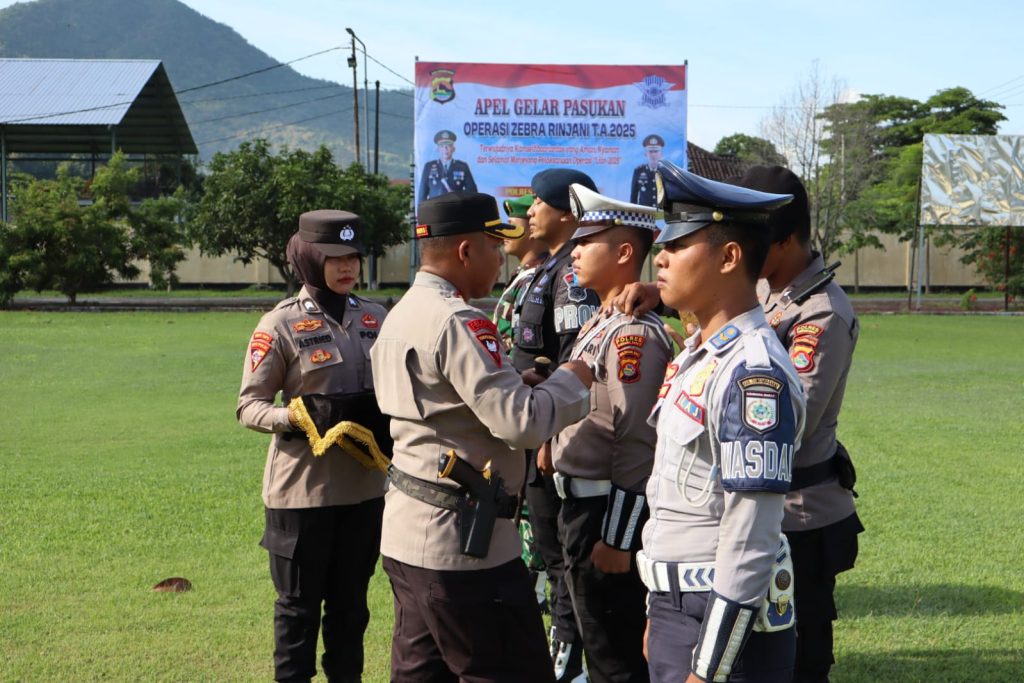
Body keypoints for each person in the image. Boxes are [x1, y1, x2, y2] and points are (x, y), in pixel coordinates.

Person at [371, 191, 596, 682]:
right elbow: (523, 423)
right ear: (466, 252)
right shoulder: (460, 321)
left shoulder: (401, 313)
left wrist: (522, 386)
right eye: (494, 247)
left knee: (420, 674)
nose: (500, 259)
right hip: (466, 548)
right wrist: (571, 378)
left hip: (410, 535)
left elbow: (446, 408)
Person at [640, 160, 807, 683]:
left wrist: (709, 667)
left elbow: (749, 532)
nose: (660, 258)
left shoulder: (752, 371)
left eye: (677, 245)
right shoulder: (703, 353)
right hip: (678, 608)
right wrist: (658, 609)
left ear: (730, 256)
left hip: (722, 623)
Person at [237, 210, 390, 683]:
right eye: (334, 258)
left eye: (353, 258)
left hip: (365, 494)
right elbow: (249, 406)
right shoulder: (279, 323)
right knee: (298, 615)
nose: (347, 268)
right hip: (302, 497)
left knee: (351, 613)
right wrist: (299, 417)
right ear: (308, 259)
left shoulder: (377, 317)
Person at [743, 166, 863, 683]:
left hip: (801, 520)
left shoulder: (820, 313)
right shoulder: (772, 293)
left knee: (800, 662)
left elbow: (786, 425)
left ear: (785, 240)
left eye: (752, 238)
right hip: (769, 512)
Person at [551, 183, 672, 683]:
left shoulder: (632, 332)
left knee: (615, 658)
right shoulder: (602, 319)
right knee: (597, 644)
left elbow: (635, 441)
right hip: (580, 507)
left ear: (625, 252)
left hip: (606, 514)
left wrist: (619, 539)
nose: (573, 251)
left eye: (587, 241)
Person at [511, 167, 603, 682]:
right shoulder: (552, 267)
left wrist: (550, 435)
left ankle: (570, 667)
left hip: (557, 436)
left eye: (538, 204)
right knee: (550, 554)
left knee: (564, 559)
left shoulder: (572, 274)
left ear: (565, 212)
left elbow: (575, 363)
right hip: (539, 429)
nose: (529, 213)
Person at [494, 193, 550, 351]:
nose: (505, 233)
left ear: (531, 230)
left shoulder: (537, 277)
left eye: (512, 225)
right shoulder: (523, 272)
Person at [419, 129, 477, 202]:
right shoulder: (429, 167)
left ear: (453, 148)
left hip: (456, 210)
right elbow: (422, 195)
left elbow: (472, 193)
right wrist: (421, 212)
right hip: (435, 210)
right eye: (442, 146)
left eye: (448, 145)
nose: (445, 149)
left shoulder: (462, 167)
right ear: (438, 149)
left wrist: (457, 195)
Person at [630, 134, 664, 207]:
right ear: (646, 154)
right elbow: (633, 196)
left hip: (661, 214)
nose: (653, 155)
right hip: (644, 214)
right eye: (650, 151)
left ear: (661, 154)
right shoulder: (638, 171)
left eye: (656, 151)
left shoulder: (666, 172)